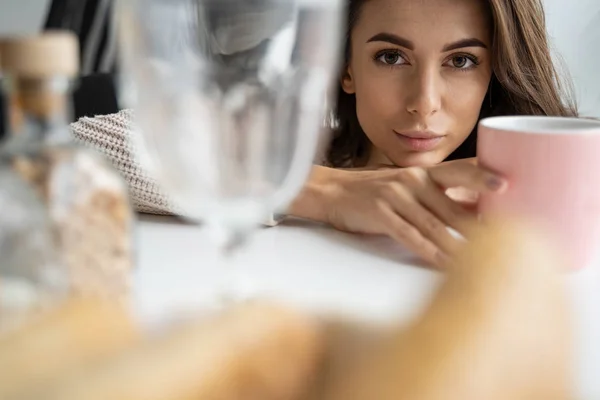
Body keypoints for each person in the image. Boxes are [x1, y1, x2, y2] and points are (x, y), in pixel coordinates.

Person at [70, 0, 578, 267]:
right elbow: (76, 146)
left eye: (462, 61)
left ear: (495, 73)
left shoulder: (554, 178)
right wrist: (328, 190)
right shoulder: (315, 137)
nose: (424, 101)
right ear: (347, 68)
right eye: (391, 56)